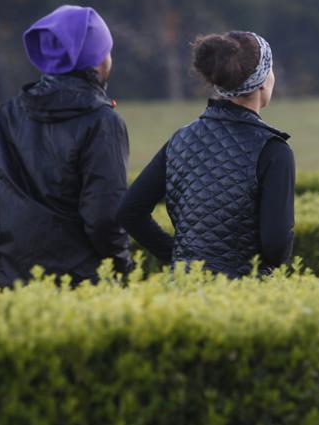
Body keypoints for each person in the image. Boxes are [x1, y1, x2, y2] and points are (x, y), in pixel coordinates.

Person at [0, 4, 133, 286]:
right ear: (96, 60)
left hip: (9, 280)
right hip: (81, 285)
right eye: (107, 50)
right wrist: (122, 265)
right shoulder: (102, 122)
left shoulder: (5, 116)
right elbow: (105, 218)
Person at [116, 31, 295, 278]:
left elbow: (129, 211)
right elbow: (276, 248)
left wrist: (182, 260)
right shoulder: (274, 150)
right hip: (245, 297)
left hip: (184, 290)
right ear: (264, 80)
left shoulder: (180, 138)